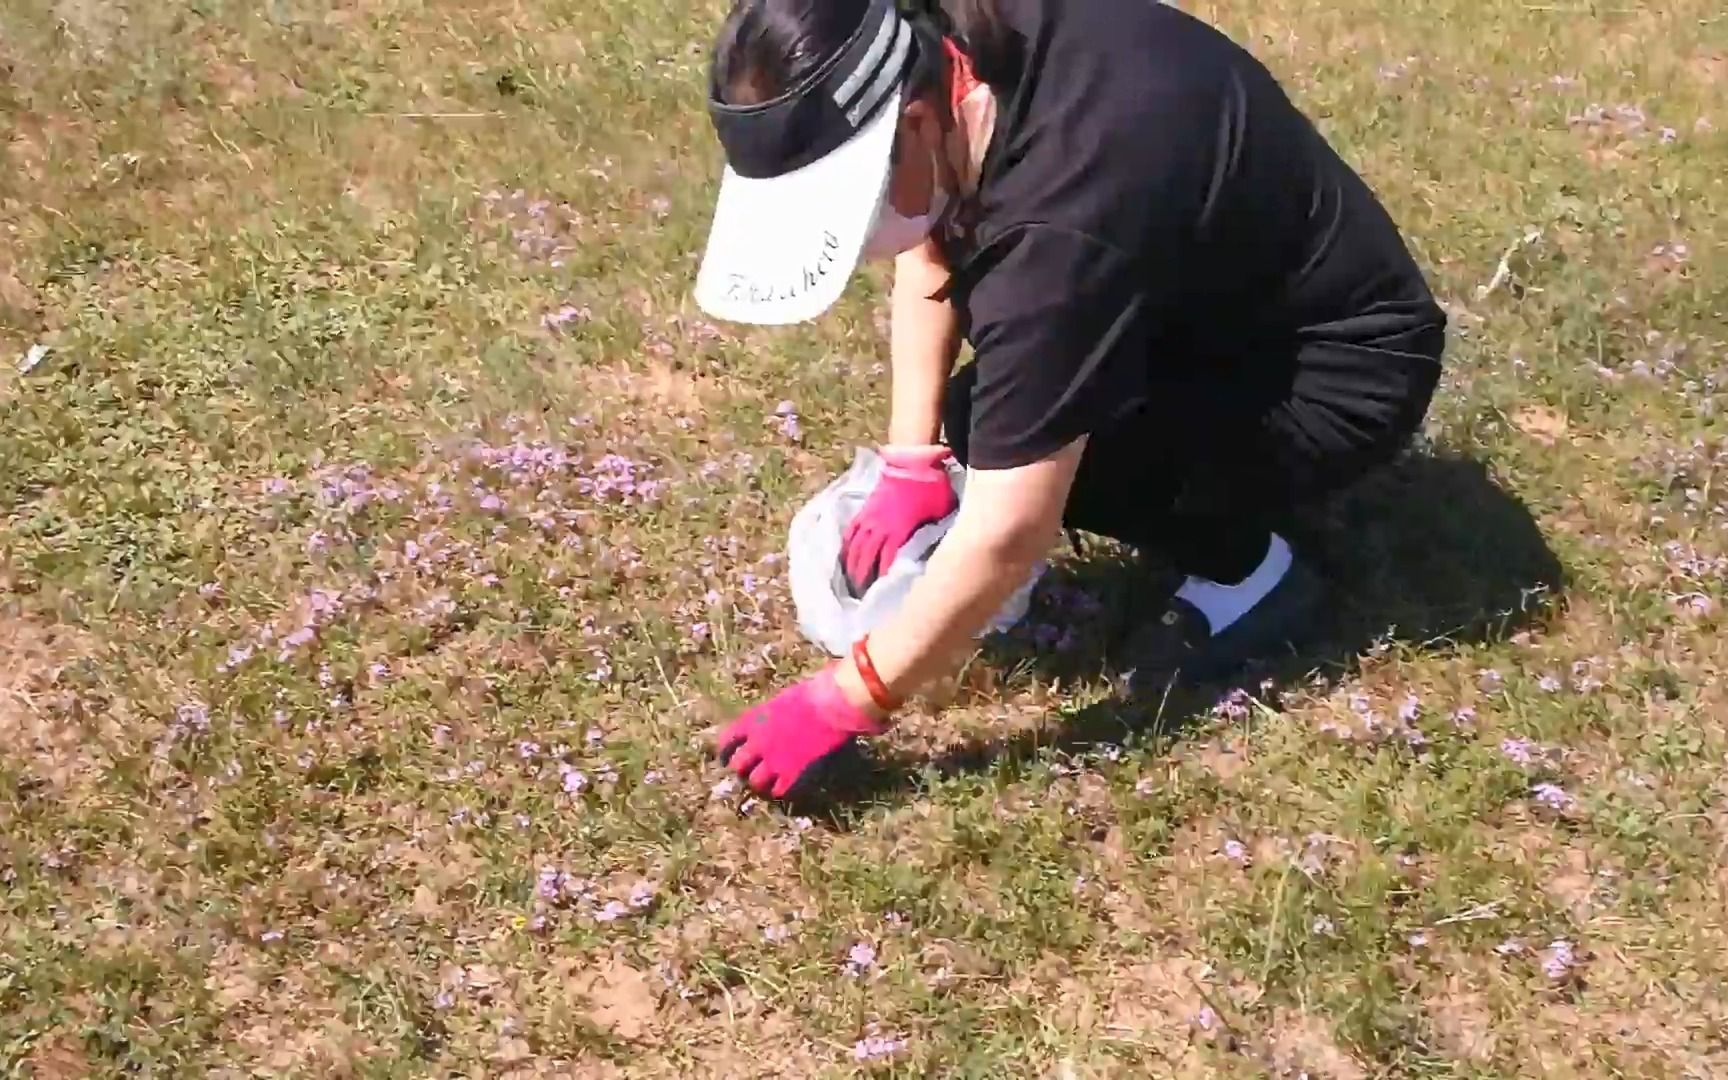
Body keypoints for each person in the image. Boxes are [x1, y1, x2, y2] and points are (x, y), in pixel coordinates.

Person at [693, 0, 1447, 798]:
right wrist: (911, 463)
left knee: (1032, 448)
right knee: (982, 420)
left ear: (912, 122)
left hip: (1339, 375)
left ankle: (1254, 578)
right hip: (1219, 309)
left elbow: (1013, 528)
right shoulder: (952, 46)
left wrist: (844, 700)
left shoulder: (1064, 223)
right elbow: (934, 239)